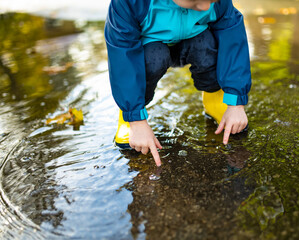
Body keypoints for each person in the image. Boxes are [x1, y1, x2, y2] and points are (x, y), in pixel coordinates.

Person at [104, 0, 252, 166]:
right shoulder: (131, 3)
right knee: (152, 59)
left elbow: (232, 38)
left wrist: (236, 101)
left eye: (212, 0)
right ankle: (129, 117)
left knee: (208, 44)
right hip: (151, 47)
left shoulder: (213, 3)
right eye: (196, 0)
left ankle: (213, 97)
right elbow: (123, 57)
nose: (205, 7)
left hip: (195, 39)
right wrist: (135, 119)